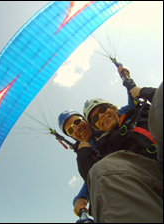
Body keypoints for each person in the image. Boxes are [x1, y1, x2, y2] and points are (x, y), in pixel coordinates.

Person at [77, 76, 163, 222]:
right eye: (95, 118)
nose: (102, 116)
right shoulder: (103, 149)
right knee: (101, 169)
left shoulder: (138, 111)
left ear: (112, 108)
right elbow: (96, 180)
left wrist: (142, 91)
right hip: (150, 178)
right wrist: (83, 154)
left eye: (103, 109)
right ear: (96, 127)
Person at [58, 74, 136, 216]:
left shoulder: (105, 119)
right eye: (70, 130)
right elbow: (94, 173)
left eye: (76, 122)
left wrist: (127, 80)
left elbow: (132, 106)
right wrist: (81, 197)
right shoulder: (87, 150)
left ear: (85, 119)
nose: (76, 129)